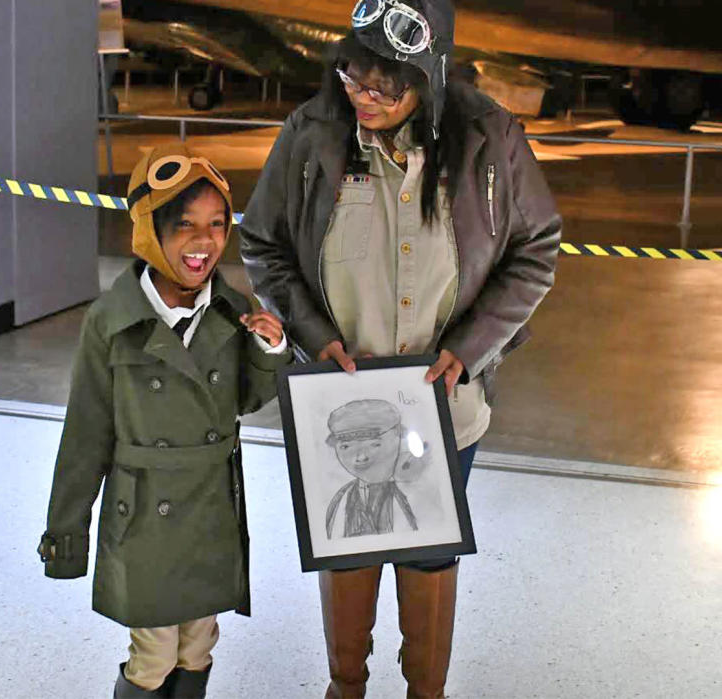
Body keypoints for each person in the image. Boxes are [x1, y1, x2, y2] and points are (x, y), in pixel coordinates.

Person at [239, 0, 562, 695]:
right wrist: (312, 336)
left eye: (387, 85)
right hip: (340, 397)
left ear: (432, 73)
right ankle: (346, 684)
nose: (366, 98)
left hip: (445, 400)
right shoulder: (312, 133)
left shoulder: (488, 138)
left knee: (427, 552)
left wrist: (471, 346)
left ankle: (425, 691)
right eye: (355, 78)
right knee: (348, 551)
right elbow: (262, 242)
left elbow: (537, 249)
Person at [38, 143, 292, 698]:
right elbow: (85, 434)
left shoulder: (229, 309)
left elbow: (244, 399)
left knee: (199, 643)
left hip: (208, 508)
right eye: (184, 225)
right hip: (145, 512)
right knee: (153, 655)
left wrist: (269, 351)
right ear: (150, 229)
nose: (204, 242)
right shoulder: (111, 322)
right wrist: (66, 533)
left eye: (218, 224)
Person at [324, 399, 424, 539]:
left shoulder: (420, 494)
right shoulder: (340, 499)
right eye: (345, 447)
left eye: (374, 445)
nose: (361, 457)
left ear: (399, 438)